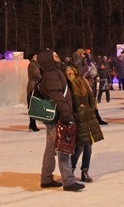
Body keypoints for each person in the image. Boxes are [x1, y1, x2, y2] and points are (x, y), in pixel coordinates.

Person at [35, 50, 84, 192]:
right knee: (63, 148)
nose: (58, 56)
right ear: (48, 59)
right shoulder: (52, 74)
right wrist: (67, 114)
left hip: (57, 116)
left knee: (51, 148)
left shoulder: (55, 72)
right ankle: (68, 181)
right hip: (59, 116)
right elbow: (57, 96)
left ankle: (46, 178)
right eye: (54, 55)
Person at [65, 64, 103, 184]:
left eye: (71, 69)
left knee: (88, 146)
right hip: (77, 119)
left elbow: (91, 97)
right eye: (67, 70)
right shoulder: (67, 85)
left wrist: (93, 109)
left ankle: (85, 170)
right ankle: (70, 169)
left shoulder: (82, 82)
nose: (69, 71)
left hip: (88, 117)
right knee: (80, 146)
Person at [26, 53, 42, 132]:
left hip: (33, 86)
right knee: (33, 106)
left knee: (34, 106)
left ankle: (33, 124)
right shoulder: (33, 64)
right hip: (33, 86)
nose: (37, 57)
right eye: (36, 56)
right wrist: (43, 79)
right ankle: (32, 125)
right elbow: (36, 74)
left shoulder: (35, 64)